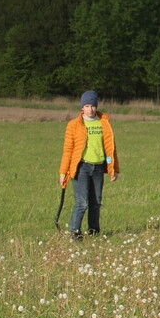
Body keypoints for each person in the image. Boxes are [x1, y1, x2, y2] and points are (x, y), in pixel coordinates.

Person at [58, 90, 119, 239]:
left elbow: (110, 149)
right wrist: (63, 173)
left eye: (92, 106)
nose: (90, 109)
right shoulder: (74, 125)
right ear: (82, 108)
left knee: (96, 201)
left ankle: (94, 231)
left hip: (98, 167)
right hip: (81, 168)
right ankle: (75, 232)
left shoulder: (104, 123)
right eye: (87, 106)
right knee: (82, 202)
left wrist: (113, 168)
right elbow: (68, 150)